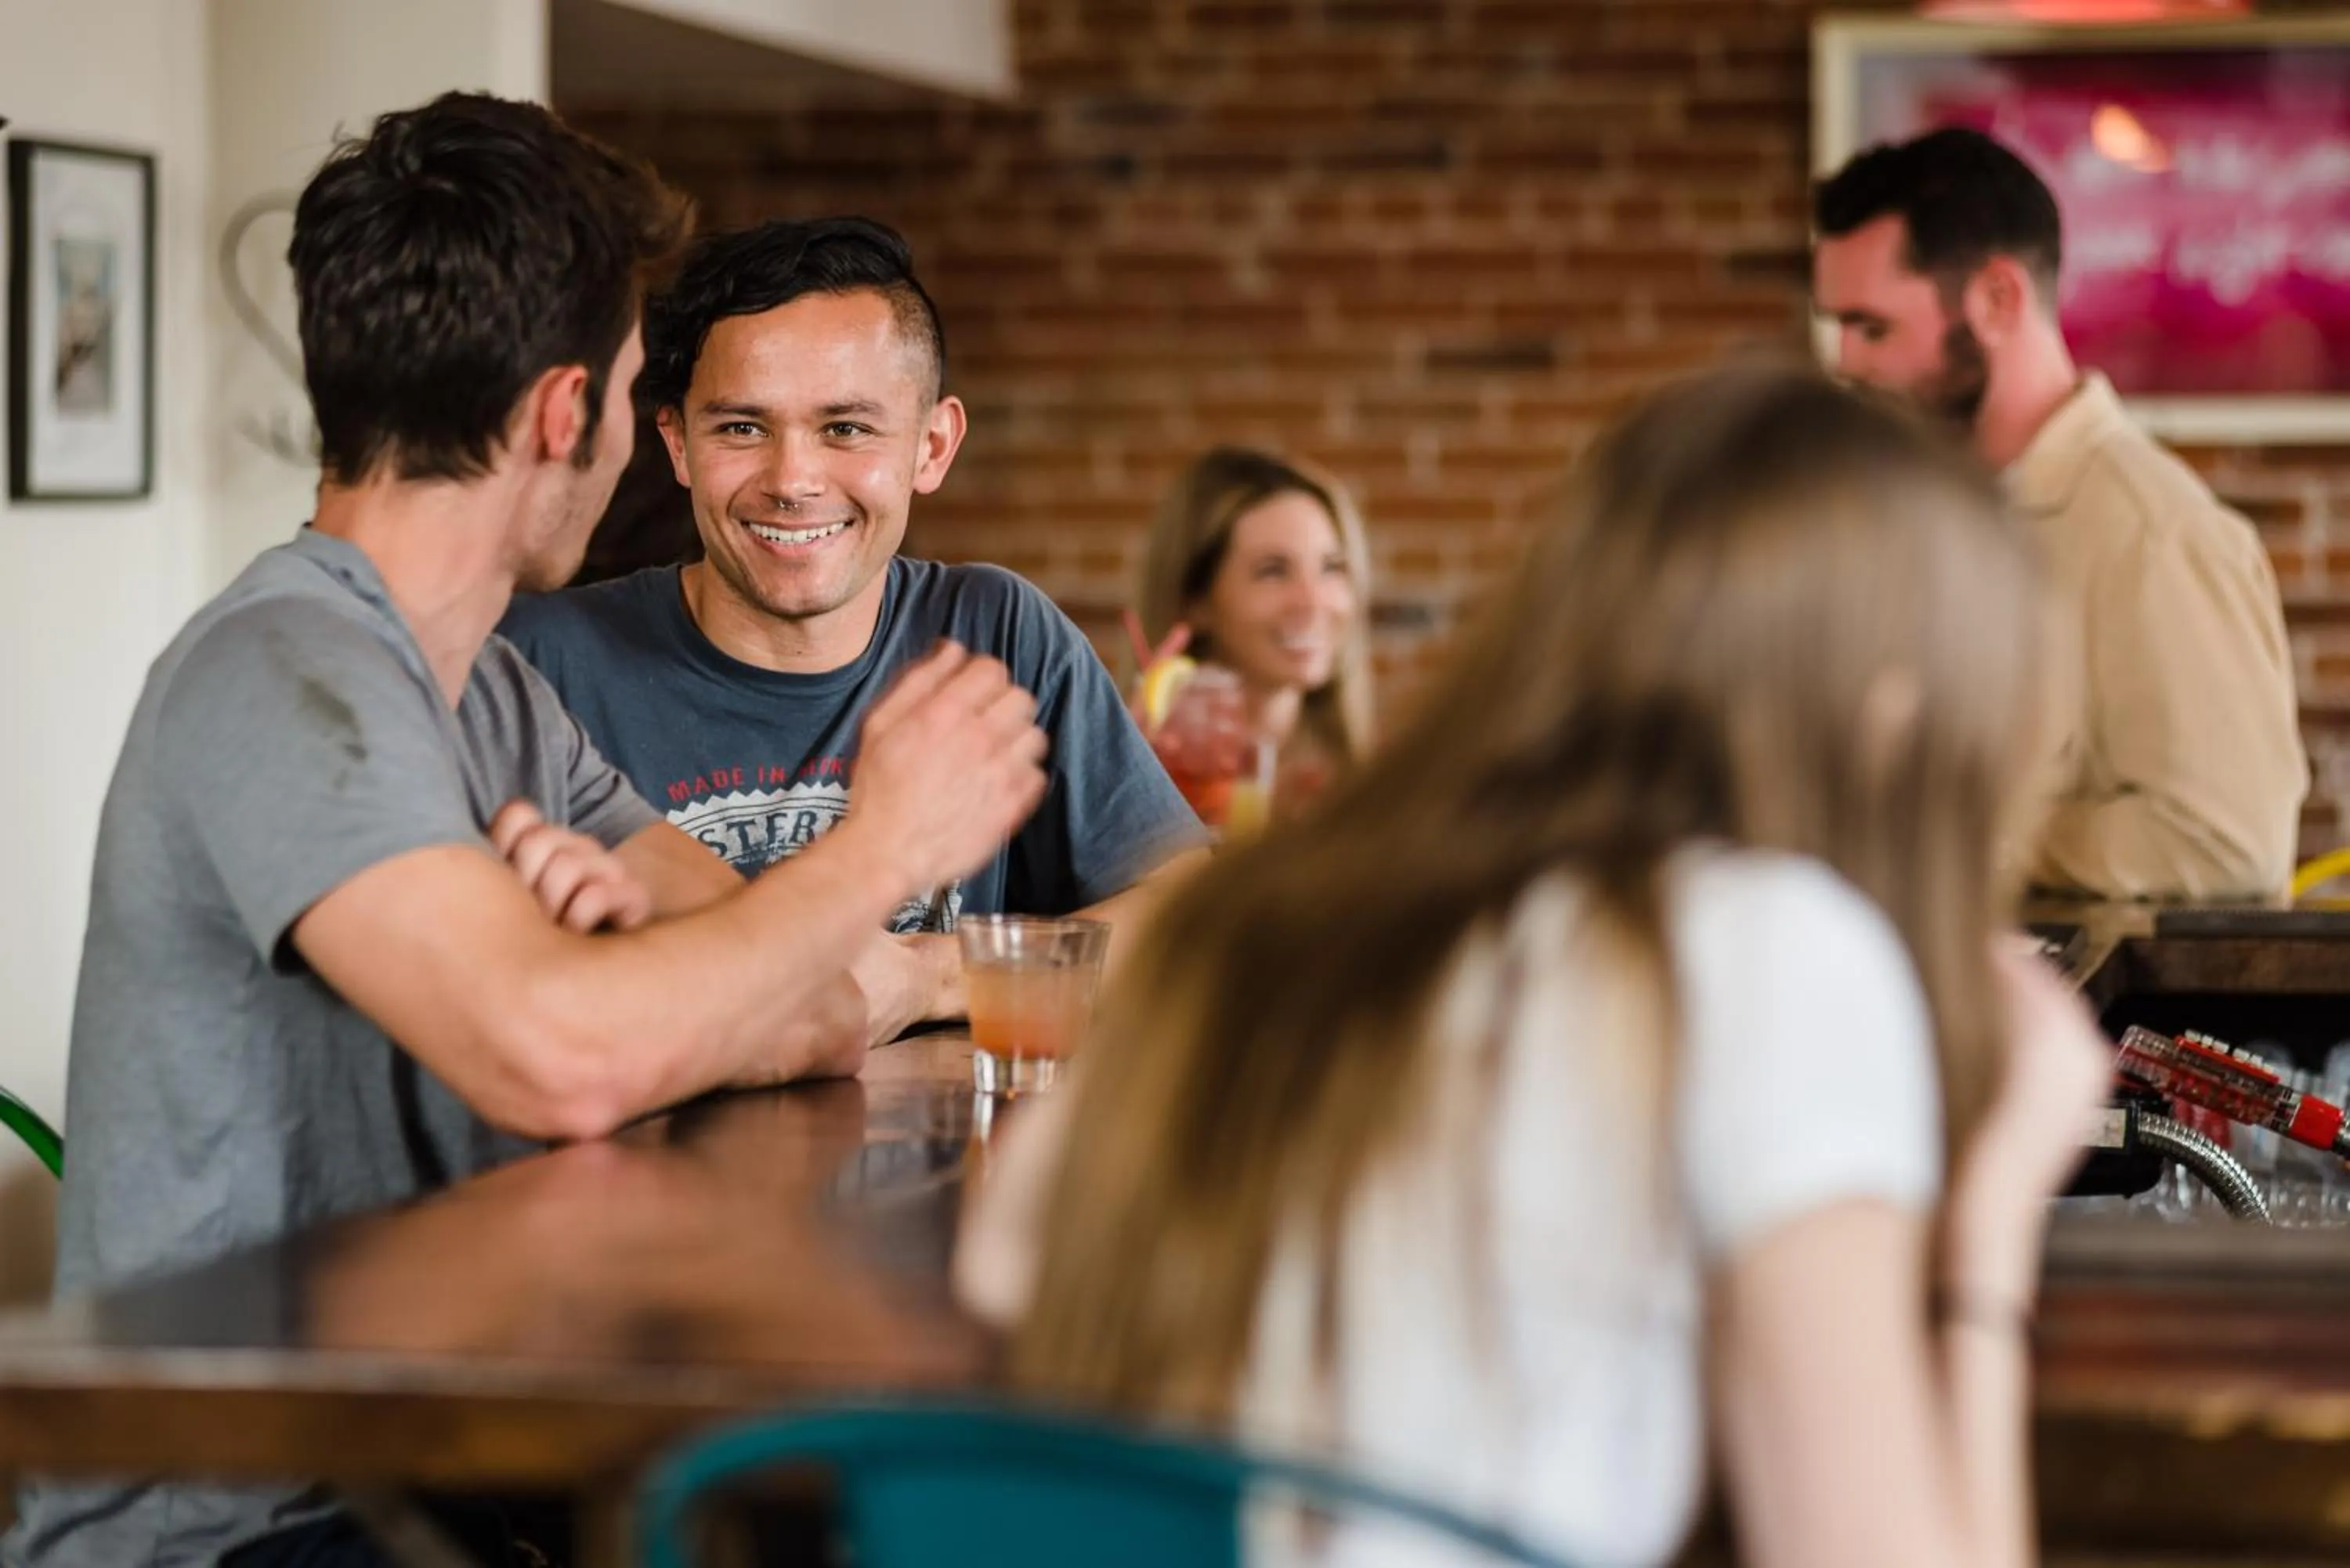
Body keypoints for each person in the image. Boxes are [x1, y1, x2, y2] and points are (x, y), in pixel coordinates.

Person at [5, 96, 1046, 1568]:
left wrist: (626, 980)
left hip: (440, 1475)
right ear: (568, 413)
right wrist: (874, 850)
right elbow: (574, 1053)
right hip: (245, 1523)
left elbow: (811, 1007)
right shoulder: (281, 673)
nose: (633, 434)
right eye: (634, 393)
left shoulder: (493, 692)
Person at [958, 367, 2114, 1568]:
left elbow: (1002, 1260)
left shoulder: (1267, 904)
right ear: (1896, 704)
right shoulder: (1779, 949)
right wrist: (1988, 1224)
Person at [501, 218, 1206, 1037]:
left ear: (931, 446)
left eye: (846, 429)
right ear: (678, 442)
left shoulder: (996, 635)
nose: (792, 480)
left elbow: (1190, 913)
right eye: (741, 427)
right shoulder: (538, 660)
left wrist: (929, 977)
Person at [1813, 125, 2305, 903]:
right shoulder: (1927, 518)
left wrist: (1959, 836)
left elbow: (2227, 842)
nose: (1846, 363)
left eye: (1872, 327)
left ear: (1998, 299)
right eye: (1837, 325)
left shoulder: (2151, 531)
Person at [1132, 446, 1375, 815]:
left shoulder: (1370, 783)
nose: (1312, 602)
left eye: (1331, 568)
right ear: (1195, 601)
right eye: (1273, 570)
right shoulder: (1144, 782)